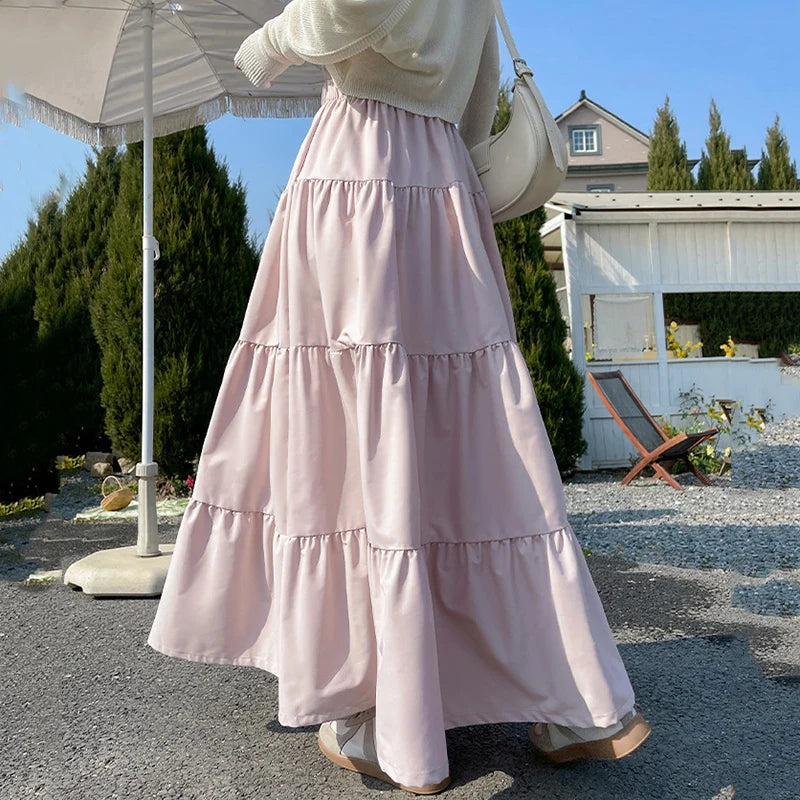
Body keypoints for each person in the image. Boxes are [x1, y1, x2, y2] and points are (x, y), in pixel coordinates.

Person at [147, 0, 651, 794]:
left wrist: (271, 40)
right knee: (472, 433)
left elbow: (350, 7)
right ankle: (576, 699)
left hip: (362, 164)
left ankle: (386, 718)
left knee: (354, 427)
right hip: (442, 176)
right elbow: (479, 85)